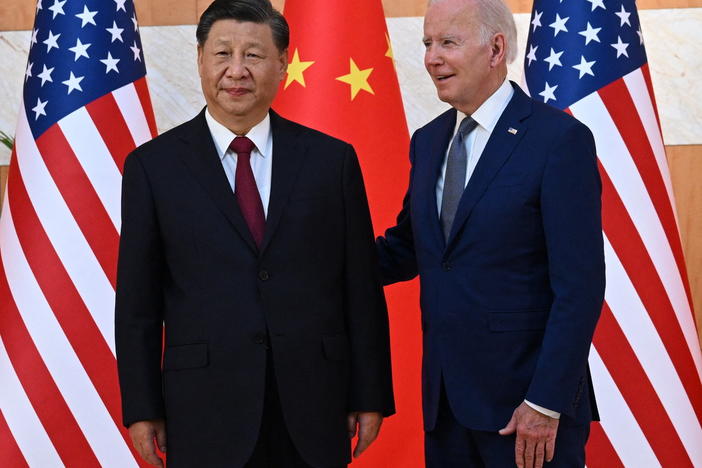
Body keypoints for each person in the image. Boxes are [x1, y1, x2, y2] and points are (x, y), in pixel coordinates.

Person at [115, 1, 394, 467]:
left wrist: (369, 394)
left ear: (283, 64)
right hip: (203, 408)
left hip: (313, 403)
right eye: (223, 53)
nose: (237, 71)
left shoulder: (331, 161)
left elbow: (359, 288)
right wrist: (142, 408)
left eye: (254, 55)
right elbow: (137, 304)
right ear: (201, 59)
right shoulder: (152, 168)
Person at [376, 0, 605, 466]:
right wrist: (313, 254)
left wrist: (545, 402)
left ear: (496, 48)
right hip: (446, 407)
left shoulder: (558, 140)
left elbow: (579, 287)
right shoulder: (427, 140)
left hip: (526, 413)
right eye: (427, 43)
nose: (431, 58)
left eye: (448, 43)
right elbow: (413, 247)